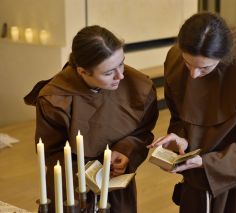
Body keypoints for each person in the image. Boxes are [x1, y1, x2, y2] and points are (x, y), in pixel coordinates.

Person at [148, 12, 236, 213]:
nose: (193, 74)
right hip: (195, 177)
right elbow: (179, 116)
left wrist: (207, 162)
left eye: (204, 68)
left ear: (223, 55)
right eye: (188, 64)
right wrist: (182, 141)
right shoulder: (176, 58)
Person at [24, 25, 159, 213]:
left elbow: (142, 132)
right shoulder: (55, 98)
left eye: (121, 63)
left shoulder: (140, 87)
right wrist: (86, 175)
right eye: (108, 72)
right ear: (82, 72)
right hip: (71, 186)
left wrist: (125, 151)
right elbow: (52, 152)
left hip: (115, 182)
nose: (120, 76)